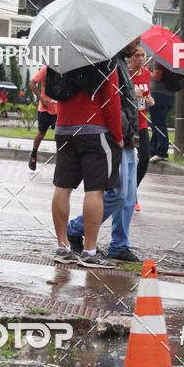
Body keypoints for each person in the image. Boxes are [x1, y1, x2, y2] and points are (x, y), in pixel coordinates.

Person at [67, 39, 141, 262]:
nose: (137, 45)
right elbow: (112, 104)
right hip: (118, 138)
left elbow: (125, 103)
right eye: (134, 40)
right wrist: (125, 134)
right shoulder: (111, 62)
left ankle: (119, 244)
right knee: (117, 194)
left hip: (127, 137)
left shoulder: (120, 62)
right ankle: (76, 227)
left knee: (128, 197)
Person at [50, 61, 123, 266]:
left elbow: (52, 89)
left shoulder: (60, 55)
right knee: (95, 189)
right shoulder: (104, 57)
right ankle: (89, 251)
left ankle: (63, 247)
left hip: (63, 127)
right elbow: (111, 100)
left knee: (62, 187)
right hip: (94, 129)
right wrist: (118, 135)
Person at [128, 43, 154, 211]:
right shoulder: (125, 74)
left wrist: (150, 99)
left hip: (142, 122)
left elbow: (147, 95)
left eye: (143, 55)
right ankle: (129, 196)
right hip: (128, 122)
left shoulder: (146, 74)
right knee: (128, 160)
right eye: (137, 55)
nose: (140, 58)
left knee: (145, 157)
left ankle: (132, 191)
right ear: (130, 57)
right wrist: (132, 95)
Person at [149, 62, 183, 162]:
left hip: (158, 95)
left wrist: (144, 71)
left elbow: (157, 76)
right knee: (156, 123)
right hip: (169, 96)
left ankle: (161, 152)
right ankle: (153, 150)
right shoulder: (174, 61)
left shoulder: (159, 60)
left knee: (159, 124)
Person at [28, 65, 57, 171]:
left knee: (59, 135)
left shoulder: (64, 69)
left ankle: (61, 162)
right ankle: (33, 154)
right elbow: (31, 84)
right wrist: (41, 99)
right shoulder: (46, 69)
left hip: (58, 110)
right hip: (44, 108)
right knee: (41, 133)